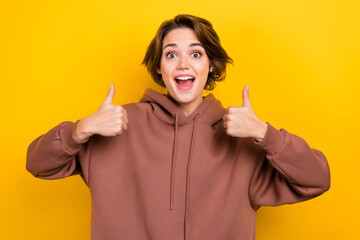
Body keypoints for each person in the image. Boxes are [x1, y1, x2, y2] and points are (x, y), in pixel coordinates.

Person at [26, 14, 331, 240]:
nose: (183, 64)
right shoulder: (117, 125)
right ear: (159, 67)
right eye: (171, 54)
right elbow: (36, 163)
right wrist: (79, 130)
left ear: (210, 65)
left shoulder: (242, 138)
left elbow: (317, 179)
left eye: (196, 54)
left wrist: (267, 135)